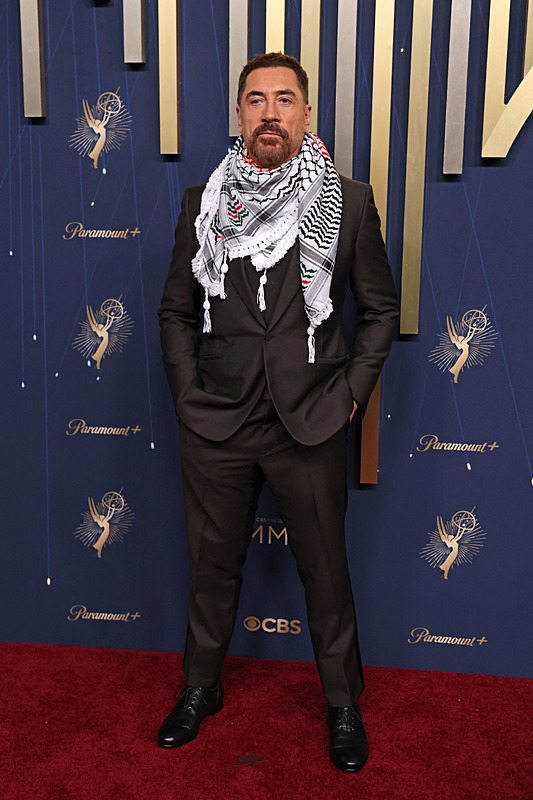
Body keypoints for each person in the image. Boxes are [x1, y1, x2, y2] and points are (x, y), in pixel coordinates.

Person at [157, 52, 399, 773]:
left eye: (284, 99)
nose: (270, 112)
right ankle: (200, 687)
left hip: (310, 419)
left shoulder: (348, 202)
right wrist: (187, 393)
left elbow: (379, 311)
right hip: (217, 420)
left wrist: (351, 392)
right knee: (211, 567)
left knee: (325, 571)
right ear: (239, 114)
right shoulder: (204, 202)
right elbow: (176, 311)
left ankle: (342, 703)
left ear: (305, 113)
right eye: (256, 99)